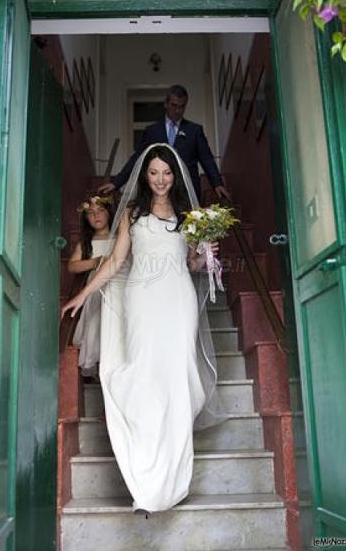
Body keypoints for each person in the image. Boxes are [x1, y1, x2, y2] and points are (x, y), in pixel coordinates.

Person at [62, 144, 229, 514]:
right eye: (153, 172)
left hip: (178, 300)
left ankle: (170, 481)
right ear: (144, 175)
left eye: (166, 173)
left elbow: (194, 265)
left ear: (176, 175)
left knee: (177, 384)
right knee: (143, 382)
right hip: (141, 302)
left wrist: (205, 254)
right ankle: (145, 480)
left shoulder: (189, 215)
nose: (160, 180)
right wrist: (84, 296)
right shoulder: (132, 213)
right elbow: (116, 261)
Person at [99, 84, 230, 202]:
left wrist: (217, 184)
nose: (177, 110)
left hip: (187, 193)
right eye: (174, 105)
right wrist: (116, 182)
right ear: (166, 104)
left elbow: (206, 159)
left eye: (182, 106)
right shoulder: (152, 131)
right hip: (158, 191)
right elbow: (138, 158)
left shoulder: (194, 131)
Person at [68, 195, 113, 380]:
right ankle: (98, 363)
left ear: (109, 213)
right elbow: (72, 266)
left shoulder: (120, 238)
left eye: (101, 211)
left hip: (117, 285)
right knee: (96, 323)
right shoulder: (86, 243)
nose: (96, 216)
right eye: (91, 213)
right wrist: (94, 262)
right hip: (96, 289)